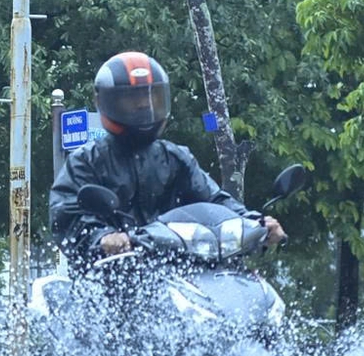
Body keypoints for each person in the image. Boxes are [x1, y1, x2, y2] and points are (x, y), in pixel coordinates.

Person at [49, 50, 285, 271]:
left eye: (151, 99)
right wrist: (102, 238)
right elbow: (65, 216)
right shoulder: (86, 162)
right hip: (110, 277)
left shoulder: (175, 157)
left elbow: (215, 201)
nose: (144, 107)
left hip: (180, 271)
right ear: (106, 102)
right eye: (132, 101)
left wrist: (254, 222)